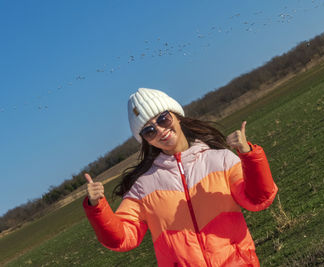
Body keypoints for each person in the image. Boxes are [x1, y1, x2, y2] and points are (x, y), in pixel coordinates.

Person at [83, 88, 278, 267]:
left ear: (176, 116)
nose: (160, 130)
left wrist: (248, 154)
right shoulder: (143, 187)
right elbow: (121, 238)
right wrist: (96, 206)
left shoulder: (221, 160)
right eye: (149, 131)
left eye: (163, 119)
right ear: (145, 140)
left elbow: (259, 199)